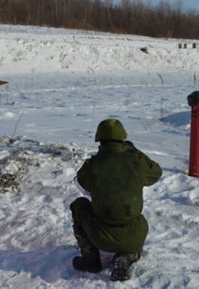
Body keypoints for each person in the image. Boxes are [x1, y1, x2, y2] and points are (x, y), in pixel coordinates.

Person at [70, 118, 163, 282]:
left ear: (99, 138)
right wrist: (136, 153)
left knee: (79, 205)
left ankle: (91, 260)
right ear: (123, 137)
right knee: (137, 222)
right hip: (134, 234)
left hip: (99, 234)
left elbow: (81, 186)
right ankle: (127, 257)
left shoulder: (93, 164)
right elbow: (156, 173)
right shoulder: (135, 161)